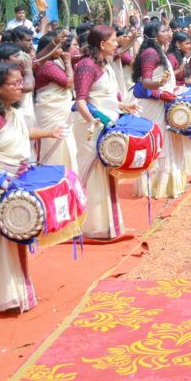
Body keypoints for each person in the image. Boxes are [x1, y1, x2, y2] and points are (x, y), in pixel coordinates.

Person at [0, 62, 64, 313]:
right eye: (15, 83)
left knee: (13, 237)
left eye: (22, 82)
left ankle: (16, 294)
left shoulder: (9, 109)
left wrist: (49, 132)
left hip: (11, 182)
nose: (21, 87)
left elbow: (21, 133)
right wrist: (0, 180)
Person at [72, 25, 140, 241]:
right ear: (102, 44)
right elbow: (81, 101)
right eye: (114, 40)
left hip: (107, 124)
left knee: (108, 173)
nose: (117, 43)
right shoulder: (86, 66)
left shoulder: (104, 63)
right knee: (94, 175)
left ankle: (111, 226)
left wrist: (123, 106)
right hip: (91, 127)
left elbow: (105, 97)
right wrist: (92, 120)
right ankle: (93, 227)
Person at [134, 23, 188, 198]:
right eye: (164, 30)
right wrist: (159, 88)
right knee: (160, 142)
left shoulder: (159, 51)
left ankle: (168, 184)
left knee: (168, 140)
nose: (169, 32)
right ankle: (154, 186)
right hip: (153, 105)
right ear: (153, 34)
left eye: (169, 30)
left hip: (163, 101)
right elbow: (145, 82)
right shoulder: (150, 53)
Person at [33, 31, 76, 170]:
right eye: (58, 47)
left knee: (63, 145)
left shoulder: (54, 62)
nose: (62, 51)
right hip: (51, 112)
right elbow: (68, 82)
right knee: (54, 147)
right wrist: (68, 62)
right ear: (49, 48)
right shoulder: (47, 65)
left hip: (54, 111)